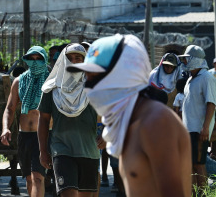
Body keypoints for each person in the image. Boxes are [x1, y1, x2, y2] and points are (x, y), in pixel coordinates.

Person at [67, 34, 191, 197]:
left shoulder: (155, 122)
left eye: (95, 77)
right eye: (87, 77)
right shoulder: (128, 122)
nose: (88, 86)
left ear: (123, 76)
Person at [38, 43, 102, 197]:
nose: (73, 62)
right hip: (62, 150)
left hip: (89, 151)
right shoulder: (52, 89)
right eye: (70, 58)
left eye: (78, 58)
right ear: (63, 61)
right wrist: (42, 151)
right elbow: (44, 120)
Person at [1, 46, 49, 197]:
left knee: (37, 178)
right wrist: (5, 128)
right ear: (27, 60)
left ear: (44, 60)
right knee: (29, 179)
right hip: (24, 137)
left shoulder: (51, 81)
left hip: (43, 136)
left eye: (39, 59)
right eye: (31, 59)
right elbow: (10, 108)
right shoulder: (19, 82)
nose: (35, 62)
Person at [178, 45, 216, 194]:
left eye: (187, 59)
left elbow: (211, 104)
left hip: (199, 130)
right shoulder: (189, 79)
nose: (185, 62)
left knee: (199, 164)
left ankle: (204, 194)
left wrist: (205, 127)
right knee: (191, 165)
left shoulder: (206, 77)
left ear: (195, 60)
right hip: (188, 130)